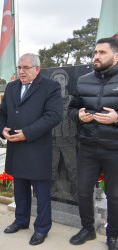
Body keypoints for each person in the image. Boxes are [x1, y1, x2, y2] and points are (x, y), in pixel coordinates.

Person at [0, 53, 62, 245]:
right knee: (20, 190)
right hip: (16, 147)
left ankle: (42, 228)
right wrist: (3, 129)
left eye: (26, 68)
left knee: (41, 193)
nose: (21, 72)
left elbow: (53, 116)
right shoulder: (11, 87)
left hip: (36, 148)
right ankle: (21, 220)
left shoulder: (50, 87)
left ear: (37, 69)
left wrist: (27, 133)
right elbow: (2, 113)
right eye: (19, 68)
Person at [68, 37, 118, 250]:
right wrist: (79, 115)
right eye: (95, 52)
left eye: (102, 53)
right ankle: (88, 228)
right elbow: (71, 109)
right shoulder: (84, 81)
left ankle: (113, 235)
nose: (96, 56)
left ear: (116, 56)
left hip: (115, 149)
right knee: (83, 191)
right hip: (88, 147)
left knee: (114, 195)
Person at [50, 69, 77, 201]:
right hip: (52, 141)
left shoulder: (74, 100)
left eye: (61, 78)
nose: (59, 82)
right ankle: (53, 192)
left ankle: (75, 194)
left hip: (69, 141)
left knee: (73, 168)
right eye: (56, 79)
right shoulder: (48, 101)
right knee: (51, 168)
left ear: (66, 81)